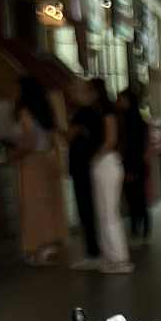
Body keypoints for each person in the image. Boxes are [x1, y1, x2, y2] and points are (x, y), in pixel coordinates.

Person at [13, 75, 67, 265]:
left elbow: (30, 140)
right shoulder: (46, 112)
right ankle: (50, 245)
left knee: (33, 206)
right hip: (48, 160)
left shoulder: (25, 112)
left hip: (32, 162)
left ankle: (36, 250)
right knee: (49, 203)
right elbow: (53, 139)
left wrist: (15, 154)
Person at [85, 78, 130, 274]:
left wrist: (95, 157)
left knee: (109, 212)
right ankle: (111, 256)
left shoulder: (107, 112)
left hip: (107, 163)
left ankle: (119, 258)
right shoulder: (104, 111)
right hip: (105, 163)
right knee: (104, 212)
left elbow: (110, 140)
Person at [65, 79, 103, 265]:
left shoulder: (82, 114)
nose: (70, 95)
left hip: (82, 166)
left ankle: (92, 251)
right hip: (90, 165)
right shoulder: (95, 112)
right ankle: (95, 248)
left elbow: (68, 136)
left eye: (74, 90)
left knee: (85, 209)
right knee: (92, 207)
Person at [116, 86, 149, 243]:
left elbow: (135, 147)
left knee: (136, 198)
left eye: (121, 99)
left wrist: (131, 169)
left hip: (133, 165)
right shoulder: (128, 119)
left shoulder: (132, 121)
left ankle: (140, 230)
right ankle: (141, 229)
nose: (118, 102)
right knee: (136, 198)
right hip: (134, 164)